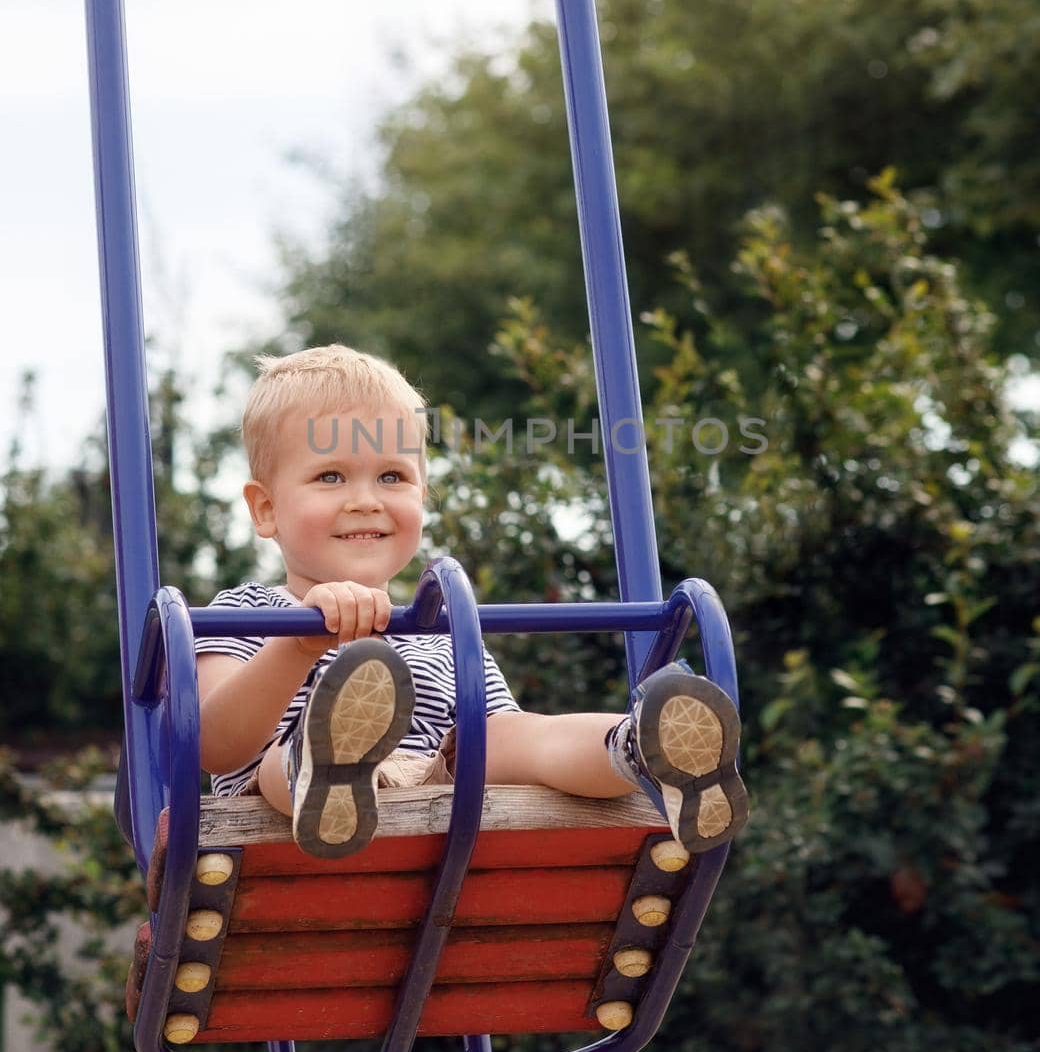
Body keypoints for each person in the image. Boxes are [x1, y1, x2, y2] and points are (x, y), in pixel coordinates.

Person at [195, 345, 749, 859]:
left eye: (392, 475)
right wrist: (296, 643)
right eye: (330, 475)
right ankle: (324, 767)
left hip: (436, 798)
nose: (365, 500)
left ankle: (642, 751)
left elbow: (505, 747)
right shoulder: (246, 611)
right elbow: (216, 745)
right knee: (275, 764)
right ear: (265, 509)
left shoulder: (440, 631)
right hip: (282, 810)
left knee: (509, 734)